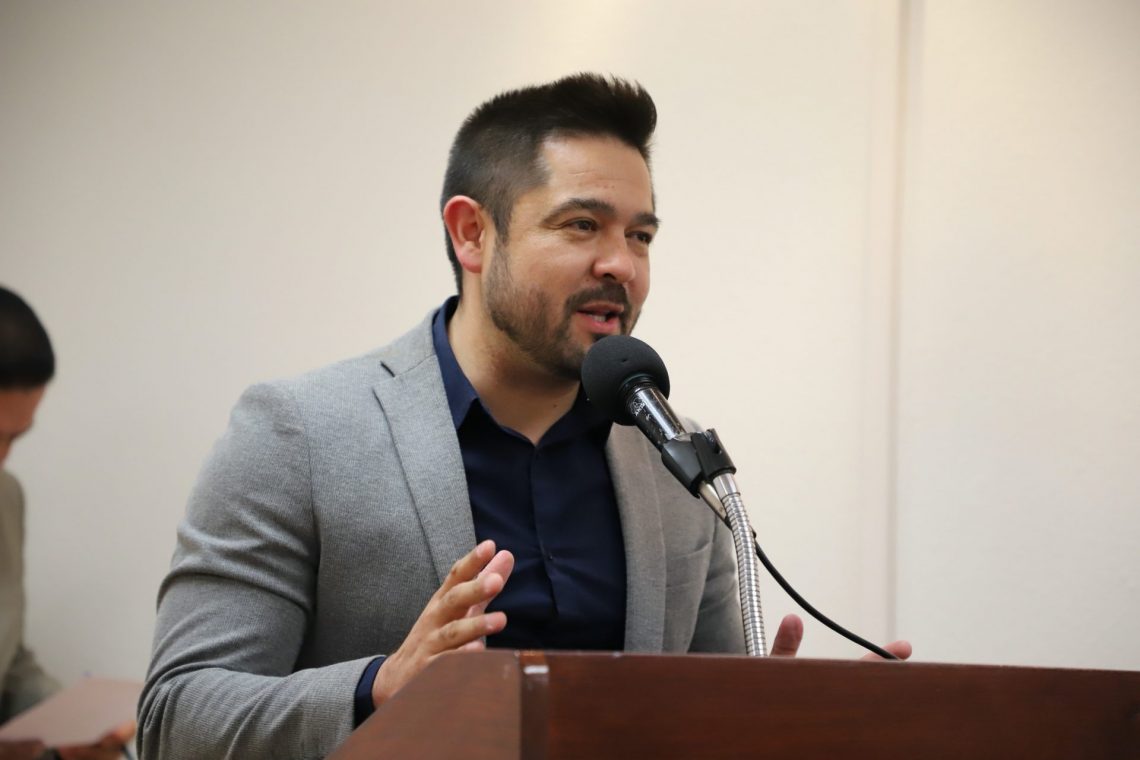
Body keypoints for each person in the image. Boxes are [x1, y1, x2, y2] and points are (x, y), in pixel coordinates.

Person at [140, 74, 909, 758]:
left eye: (640, 235)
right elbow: (175, 719)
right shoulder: (298, 433)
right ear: (472, 233)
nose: (622, 264)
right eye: (582, 225)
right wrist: (381, 687)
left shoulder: (674, 461)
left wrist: (779, 723)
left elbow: (699, 720)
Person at [0, 287, 134, 760]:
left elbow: (10, 664)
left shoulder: (6, 498)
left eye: (15, 438)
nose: (3, 458)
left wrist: (76, 730)